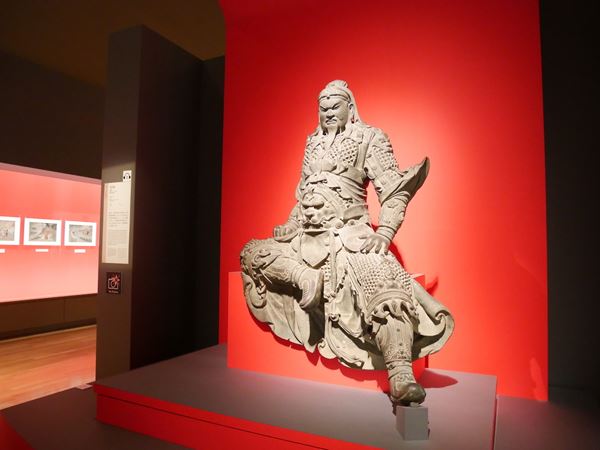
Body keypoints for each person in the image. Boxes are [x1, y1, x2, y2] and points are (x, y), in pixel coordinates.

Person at [241, 80, 453, 406]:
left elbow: (394, 190)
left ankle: (400, 374)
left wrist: (384, 233)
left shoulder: (370, 138)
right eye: (322, 107)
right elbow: (305, 192)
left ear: (350, 107)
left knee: (385, 286)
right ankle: (303, 277)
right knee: (252, 252)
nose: (327, 111)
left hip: (349, 234)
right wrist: (292, 224)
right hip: (305, 234)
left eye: (334, 105)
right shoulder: (312, 143)